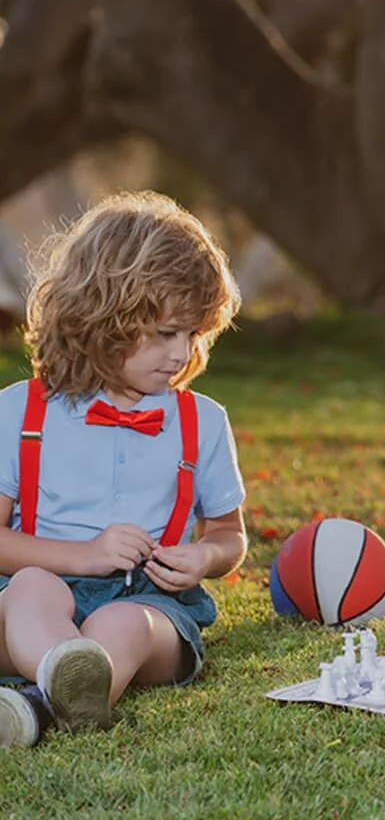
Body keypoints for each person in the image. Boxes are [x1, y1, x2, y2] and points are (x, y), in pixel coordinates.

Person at [0, 191, 247, 748]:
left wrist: (203, 557)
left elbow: (230, 536)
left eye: (194, 334)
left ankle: (40, 705)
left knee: (126, 625)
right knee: (33, 590)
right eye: (166, 333)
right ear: (100, 318)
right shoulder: (20, 412)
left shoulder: (199, 421)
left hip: (147, 604)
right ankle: (63, 682)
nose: (182, 354)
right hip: (29, 599)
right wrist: (84, 556)